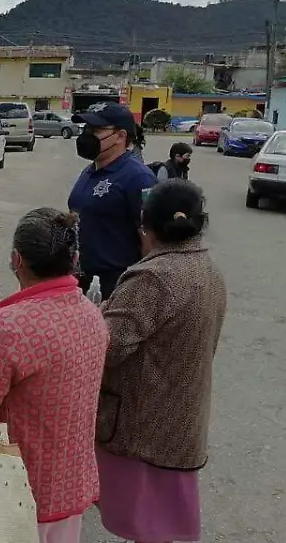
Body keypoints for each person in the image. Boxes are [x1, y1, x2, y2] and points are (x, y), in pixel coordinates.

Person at [95, 179, 225, 543]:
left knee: (146, 524)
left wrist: (98, 314)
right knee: (160, 527)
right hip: (179, 424)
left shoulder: (153, 277)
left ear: (144, 224)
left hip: (143, 426)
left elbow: (108, 346)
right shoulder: (207, 269)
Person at [0, 208, 109, 543]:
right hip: (70, 489)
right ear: (74, 258)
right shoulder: (92, 316)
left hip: (20, 492)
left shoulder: (8, 327)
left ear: (17, 260)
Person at [68, 101, 156, 302]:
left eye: (96, 130)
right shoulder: (91, 170)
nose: (86, 136)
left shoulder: (139, 178)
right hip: (83, 280)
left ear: (120, 136)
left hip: (116, 287)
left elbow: (150, 240)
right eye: (85, 129)